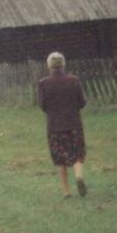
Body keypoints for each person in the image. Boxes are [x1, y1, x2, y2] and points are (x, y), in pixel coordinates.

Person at [37, 51, 88, 198]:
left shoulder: (43, 84)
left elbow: (42, 106)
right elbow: (82, 102)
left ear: (49, 66)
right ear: (63, 64)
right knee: (77, 153)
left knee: (60, 158)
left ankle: (66, 191)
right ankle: (78, 176)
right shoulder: (74, 80)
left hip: (55, 127)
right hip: (74, 125)